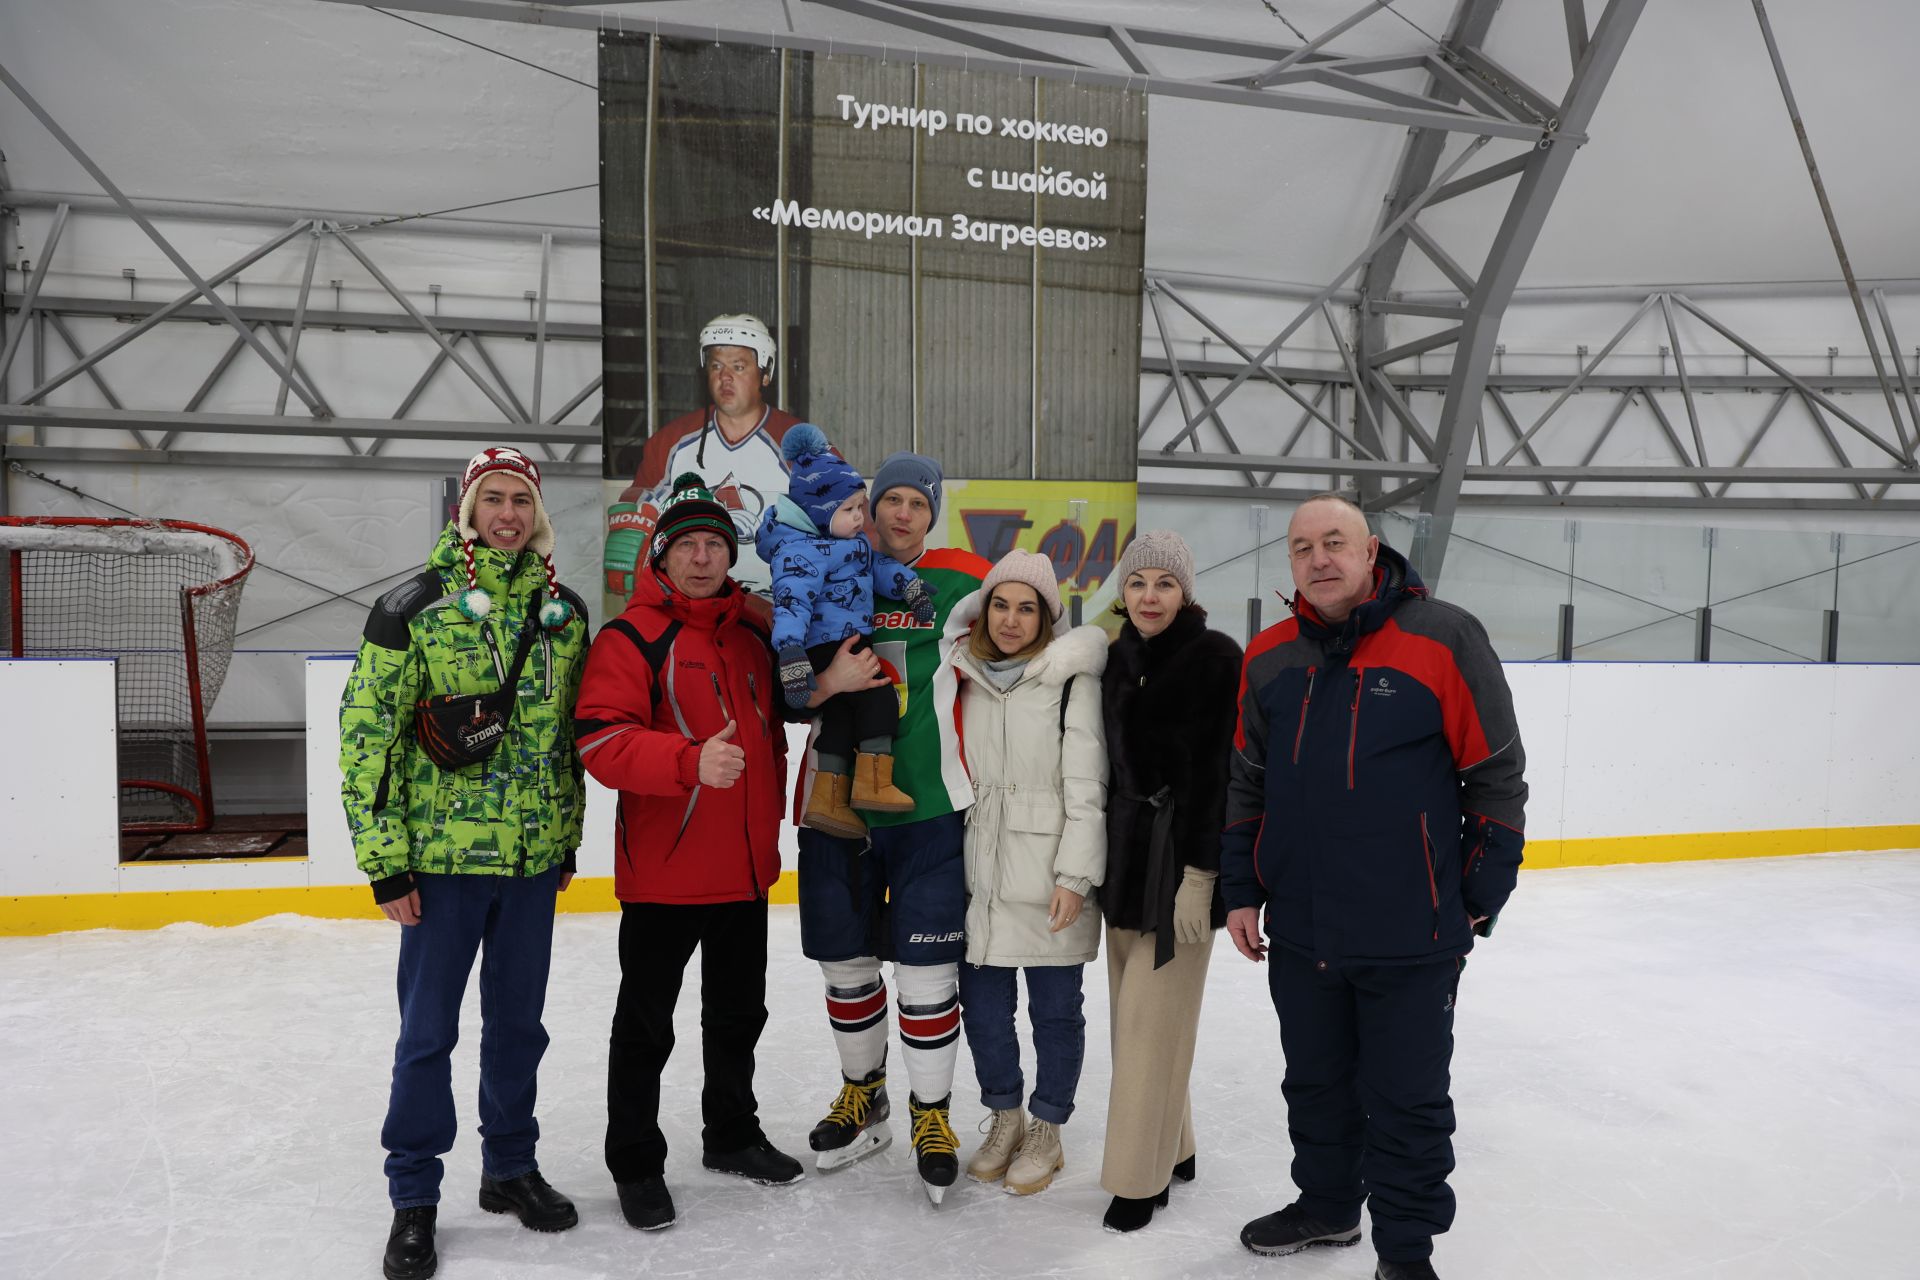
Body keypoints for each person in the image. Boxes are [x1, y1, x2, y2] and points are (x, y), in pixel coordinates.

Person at [1221, 493, 1527, 1280]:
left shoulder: (1444, 637)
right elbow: (1246, 784)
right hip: (1304, 928)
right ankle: (1326, 1206)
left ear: (1370, 552)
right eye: (1301, 548)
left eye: (1334, 543)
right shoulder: (1269, 657)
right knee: (1315, 1084)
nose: (1319, 559)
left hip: (1411, 930)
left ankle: (1405, 1251)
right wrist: (1242, 890)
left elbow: (1495, 774)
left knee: (1405, 1098)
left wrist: (1476, 895)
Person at [573, 472, 871, 1233]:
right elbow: (601, 740)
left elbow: (794, 693)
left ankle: (731, 1133)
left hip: (744, 869)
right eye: (689, 546)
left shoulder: (756, 627)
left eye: (716, 544)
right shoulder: (630, 636)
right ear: (663, 556)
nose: (704, 558)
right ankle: (636, 1162)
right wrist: (686, 762)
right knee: (647, 1028)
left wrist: (829, 683)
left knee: (739, 1015)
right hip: (666, 874)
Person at [339, 446, 589, 1280]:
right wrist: (386, 865)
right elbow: (366, 736)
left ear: (537, 512)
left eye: (521, 500)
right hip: (439, 869)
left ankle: (510, 1168)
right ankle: (414, 1197)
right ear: (467, 510)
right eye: (493, 500)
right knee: (427, 1035)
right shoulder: (414, 607)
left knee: (520, 1027)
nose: (508, 514)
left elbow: (566, 746)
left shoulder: (565, 614)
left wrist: (566, 839)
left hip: (530, 865)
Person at [792, 450, 993, 1204]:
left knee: (928, 976)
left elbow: (1029, 632)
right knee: (844, 964)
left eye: (916, 501)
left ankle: (932, 1115)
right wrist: (817, 685)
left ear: (931, 511)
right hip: (834, 808)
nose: (901, 513)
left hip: (932, 808)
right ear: (869, 506)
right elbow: (779, 675)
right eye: (890, 500)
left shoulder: (967, 578)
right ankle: (863, 1096)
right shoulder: (823, 563)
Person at [944, 550, 1108, 1197]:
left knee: (1055, 1014)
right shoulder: (960, 672)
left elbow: (1088, 785)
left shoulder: (1071, 679)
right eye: (1002, 604)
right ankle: (1005, 1117)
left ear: (1046, 617)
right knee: (983, 1013)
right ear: (985, 610)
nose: (1012, 619)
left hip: (1048, 875)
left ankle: (1047, 1128)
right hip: (979, 870)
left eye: (1028, 607)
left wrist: (1075, 876)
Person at [1096, 530, 1244, 1233]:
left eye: (1164, 583)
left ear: (1186, 592)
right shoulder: (1119, 656)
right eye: (1137, 583)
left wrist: (1202, 876)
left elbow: (1220, 775)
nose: (1149, 596)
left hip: (1180, 868)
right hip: (1123, 869)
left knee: (1152, 1030)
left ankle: (1137, 1181)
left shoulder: (1216, 658)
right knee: (1139, 1029)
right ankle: (1175, 1145)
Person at [755, 423, 937, 835]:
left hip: (841, 644)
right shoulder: (801, 552)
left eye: (861, 507)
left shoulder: (849, 546)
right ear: (822, 512)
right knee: (880, 701)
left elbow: (879, 569)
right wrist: (792, 656)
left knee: (837, 720)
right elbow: (791, 602)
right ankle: (874, 783)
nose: (861, 518)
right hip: (825, 648)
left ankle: (829, 799)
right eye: (851, 510)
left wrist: (909, 587)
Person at [604, 313, 807, 599]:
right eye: (716, 366)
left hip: (778, 611)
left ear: (765, 373)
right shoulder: (670, 442)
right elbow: (637, 533)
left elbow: (847, 521)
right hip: (690, 610)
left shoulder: (801, 442)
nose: (725, 377)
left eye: (738, 367)